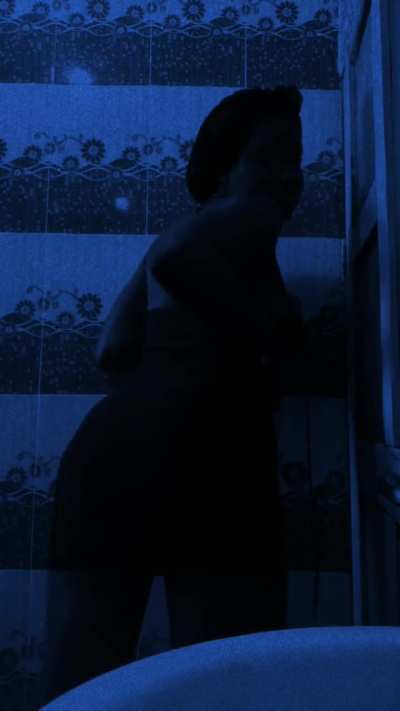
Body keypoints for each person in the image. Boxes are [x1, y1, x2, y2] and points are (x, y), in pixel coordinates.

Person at [41, 85, 306, 706]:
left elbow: (110, 347)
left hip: (118, 459)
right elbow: (176, 258)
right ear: (222, 170)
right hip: (214, 465)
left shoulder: (188, 236)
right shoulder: (246, 218)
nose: (290, 175)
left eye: (296, 158)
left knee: (82, 689)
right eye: (269, 156)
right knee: (224, 684)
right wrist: (260, 335)